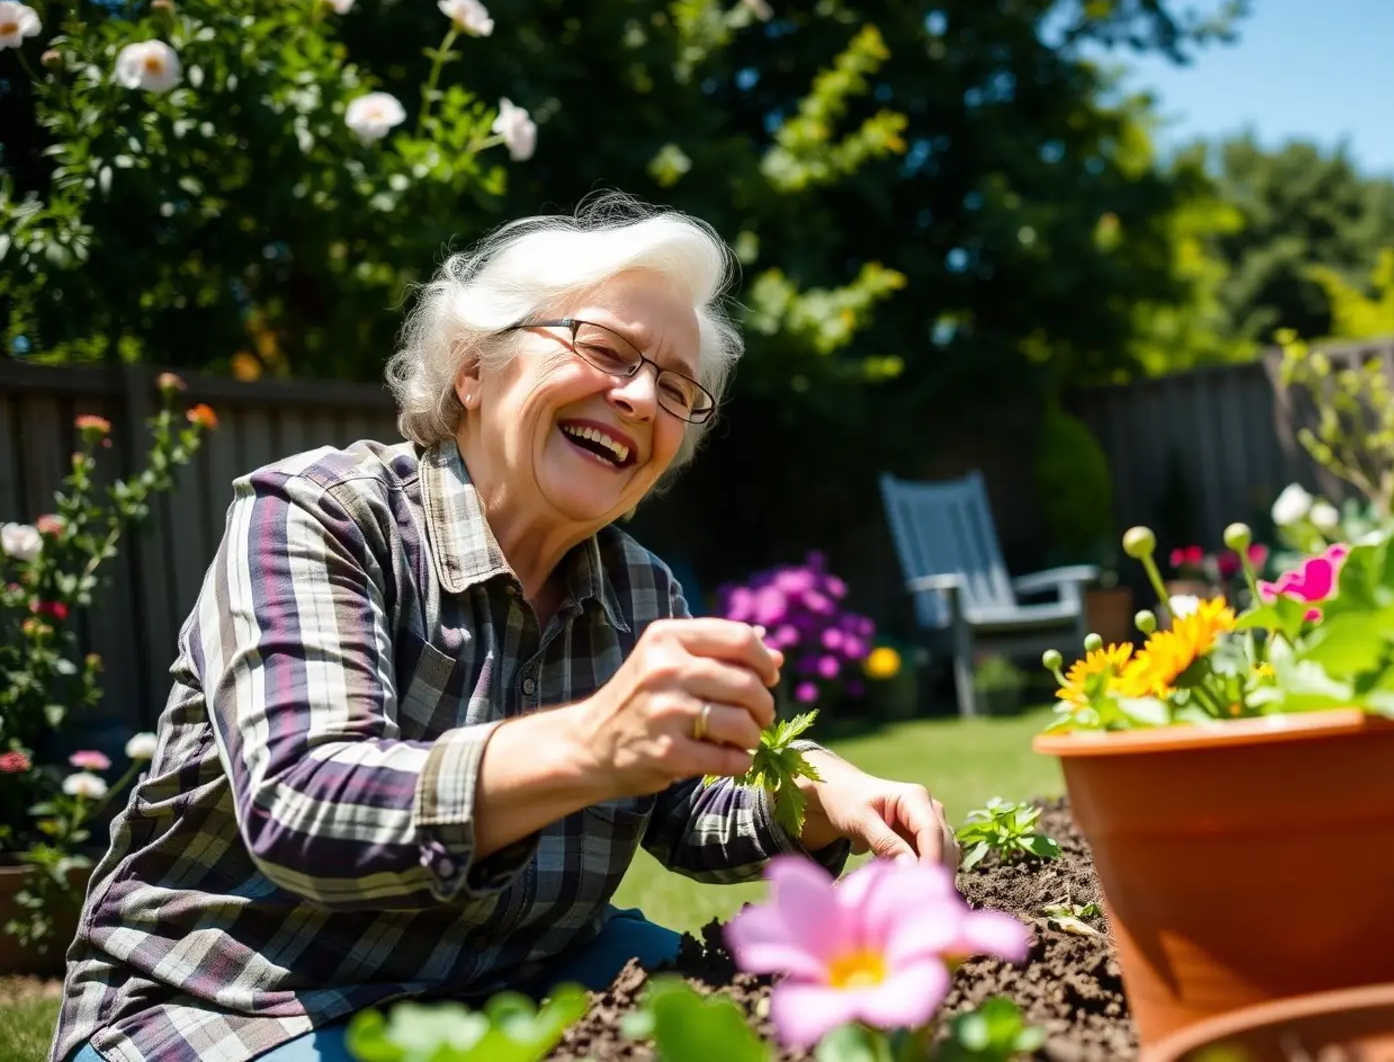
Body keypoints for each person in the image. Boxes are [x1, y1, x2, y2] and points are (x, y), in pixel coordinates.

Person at [51, 197, 958, 1062]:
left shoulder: (641, 590)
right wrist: (590, 743)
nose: (641, 397)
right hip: (239, 1002)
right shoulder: (319, 518)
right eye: (605, 348)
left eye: (678, 389)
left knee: (755, 1019)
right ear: (473, 367)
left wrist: (819, 790)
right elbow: (303, 801)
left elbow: (683, 809)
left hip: (506, 975)